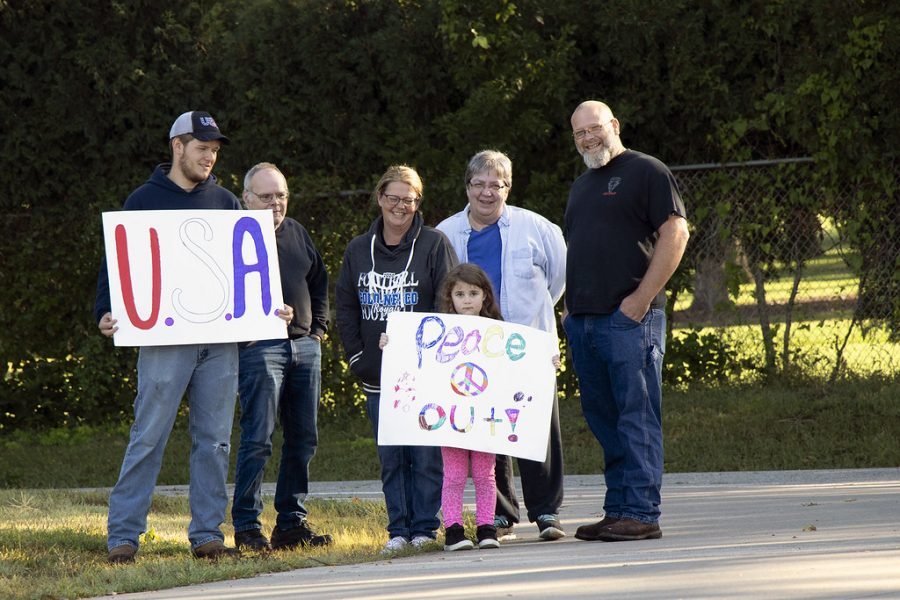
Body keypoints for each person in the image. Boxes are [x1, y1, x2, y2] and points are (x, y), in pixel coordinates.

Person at [95, 110, 242, 563]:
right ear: (177, 147)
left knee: (215, 439)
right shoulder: (142, 201)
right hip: (163, 340)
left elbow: (246, 267)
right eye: (202, 148)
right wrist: (105, 309)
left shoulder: (225, 201)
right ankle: (123, 535)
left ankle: (207, 534)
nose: (210, 157)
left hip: (220, 342)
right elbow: (116, 262)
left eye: (215, 150)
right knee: (149, 435)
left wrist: (268, 308)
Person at [564, 100, 689, 542]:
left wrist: (640, 300)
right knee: (604, 417)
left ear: (614, 125)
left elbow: (676, 233)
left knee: (636, 415)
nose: (587, 138)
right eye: (579, 133)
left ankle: (641, 511)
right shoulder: (581, 186)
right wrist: (570, 312)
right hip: (584, 323)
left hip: (630, 321)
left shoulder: (647, 171)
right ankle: (618, 509)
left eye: (594, 128)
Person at [437, 149, 567, 542]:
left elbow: (558, 280)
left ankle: (546, 512)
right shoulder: (445, 233)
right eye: (479, 184)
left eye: (497, 184)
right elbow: (442, 292)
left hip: (525, 347)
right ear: (467, 187)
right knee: (487, 430)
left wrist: (536, 327)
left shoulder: (537, 228)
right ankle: (503, 515)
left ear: (508, 188)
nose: (487, 192)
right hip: (472, 354)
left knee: (538, 428)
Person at [335, 165, 458, 553]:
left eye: (409, 199)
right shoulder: (358, 249)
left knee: (424, 456)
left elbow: (449, 303)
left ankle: (424, 527)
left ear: (417, 202)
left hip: (425, 375)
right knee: (391, 458)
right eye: (393, 197)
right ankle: (397, 531)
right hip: (378, 375)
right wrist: (358, 357)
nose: (400, 206)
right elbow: (345, 307)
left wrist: (438, 360)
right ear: (379, 198)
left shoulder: (435, 244)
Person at [231, 163, 333, 552]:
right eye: (266, 196)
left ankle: (291, 524)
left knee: (304, 439)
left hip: (304, 347)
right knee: (258, 440)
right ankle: (246, 527)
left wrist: (318, 332)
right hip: (259, 350)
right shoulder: (232, 237)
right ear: (246, 198)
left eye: (281, 195)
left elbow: (319, 281)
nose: (276, 203)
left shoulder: (297, 232)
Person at [379, 264, 505, 551]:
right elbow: (413, 354)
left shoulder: (499, 332)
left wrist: (547, 362)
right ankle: (454, 530)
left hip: (485, 418)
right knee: (454, 475)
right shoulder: (439, 330)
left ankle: (487, 528)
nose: (467, 300)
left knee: (486, 475)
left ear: (485, 296)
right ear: (450, 297)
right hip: (451, 417)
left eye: (473, 293)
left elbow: (515, 368)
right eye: (460, 294)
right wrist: (391, 343)